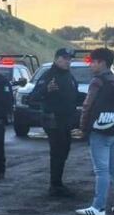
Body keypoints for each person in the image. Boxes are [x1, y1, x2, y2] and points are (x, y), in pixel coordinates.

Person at [76, 48, 114, 215]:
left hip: (99, 131)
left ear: (101, 62)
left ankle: (98, 207)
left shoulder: (96, 82)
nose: (91, 65)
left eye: (93, 62)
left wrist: (83, 128)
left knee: (101, 170)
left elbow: (87, 106)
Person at [28, 48, 79, 197]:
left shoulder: (68, 75)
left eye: (69, 59)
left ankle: (57, 182)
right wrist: (46, 90)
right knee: (57, 152)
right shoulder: (49, 75)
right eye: (65, 59)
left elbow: (73, 95)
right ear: (57, 59)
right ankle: (55, 185)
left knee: (64, 151)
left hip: (66, 119)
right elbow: (33, 98)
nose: (68, 61)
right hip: (54, 120)